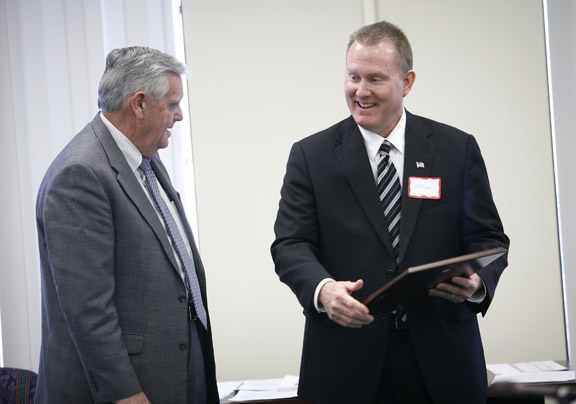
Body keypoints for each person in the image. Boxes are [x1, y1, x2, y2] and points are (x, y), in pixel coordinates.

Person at [271, 20, 509, 404]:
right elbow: (290, 244)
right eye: (353, 77)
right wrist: (323, 289)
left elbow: (490, 239)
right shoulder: (310, 156)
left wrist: (478, 283)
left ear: (407, 82)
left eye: (376, 79)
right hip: (347, 365)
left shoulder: (456, 149)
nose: (360, 91)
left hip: (443, 365)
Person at [35, 46, 218, 404]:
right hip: (128, 387)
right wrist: (125, 392)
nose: (179, 115)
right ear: (139, 104)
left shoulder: (143, 157)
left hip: (177, 364)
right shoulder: (80, 174)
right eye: (171, 104)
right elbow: (87, 307)